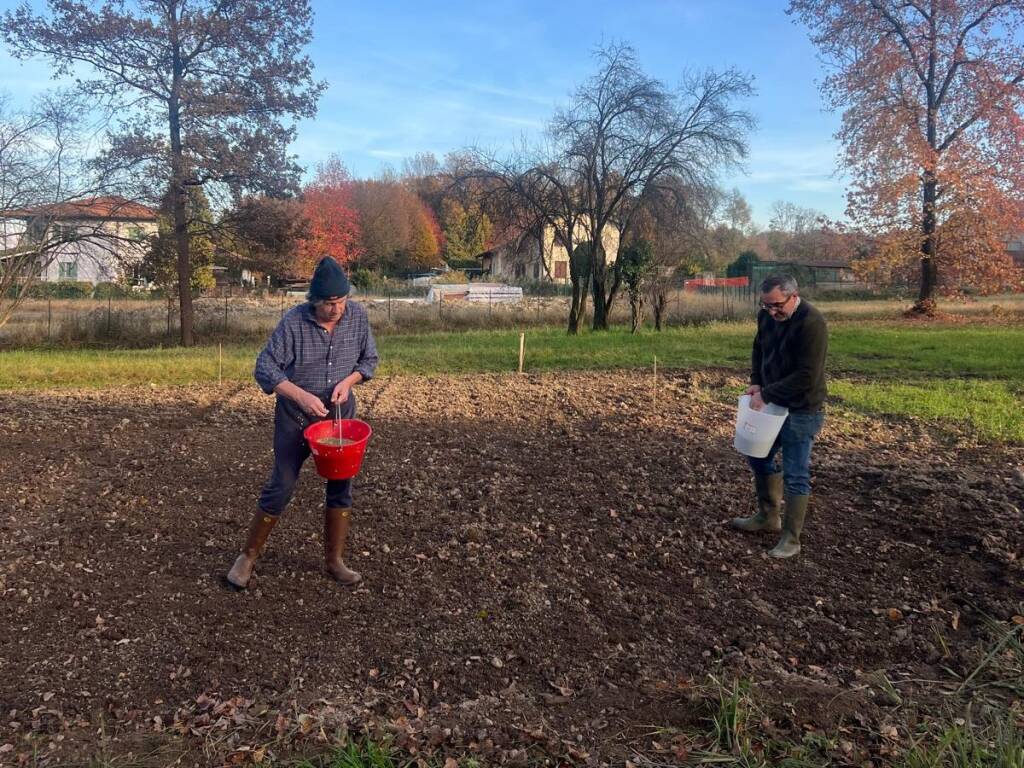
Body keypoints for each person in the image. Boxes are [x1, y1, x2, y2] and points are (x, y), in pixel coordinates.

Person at [226, 256, 379, 589]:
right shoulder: (293, 323)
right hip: (296, 418)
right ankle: (247, 556)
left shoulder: (357, 318)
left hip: (338, 419)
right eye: (328, 303)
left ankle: (335, 560)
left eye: (341, 301)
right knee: (281, 485)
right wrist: (300, 395)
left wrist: (348, 382)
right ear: (314, 301)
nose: (336, 309)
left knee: (341, 486)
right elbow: (265, 368)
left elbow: (369, 360)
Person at [731, 273, 827, 559]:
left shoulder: (812, 323)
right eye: (766, 306)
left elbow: (806, 376)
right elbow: (759, 348)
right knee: (757, 454)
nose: (772, 312)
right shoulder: (767, 317)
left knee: (796, 473)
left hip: (802, 408)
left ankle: (791, 538)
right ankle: (767, 516)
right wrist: (756, 381)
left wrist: (767, 394)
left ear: (793, 296)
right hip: (772, 402)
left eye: (777, 305)